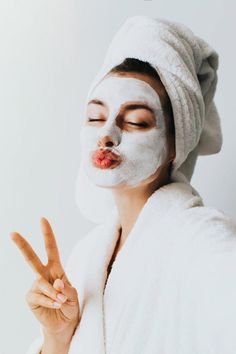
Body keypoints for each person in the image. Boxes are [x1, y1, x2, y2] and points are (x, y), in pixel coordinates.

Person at [10, 16, 236, 354]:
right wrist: (57, 338)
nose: (106, 134)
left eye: (135, 121)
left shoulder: (203, 240)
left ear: (177, 143)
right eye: (95, 117)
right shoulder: (88, 256)